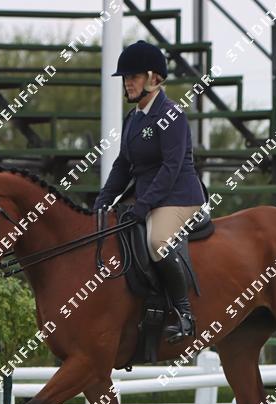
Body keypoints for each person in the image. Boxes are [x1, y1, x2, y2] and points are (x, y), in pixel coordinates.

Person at [93, 40, 205, 343]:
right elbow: (123, 164)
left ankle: (184, 313)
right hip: (148, 196)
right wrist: (103, 199)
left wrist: (142, 205)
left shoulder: (172, 115)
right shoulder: (133, 118)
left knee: (157, 242)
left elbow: (170, 168)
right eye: (125, 78)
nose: (127, 83)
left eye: (134, 77)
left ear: (153, 79)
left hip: (178, 196)